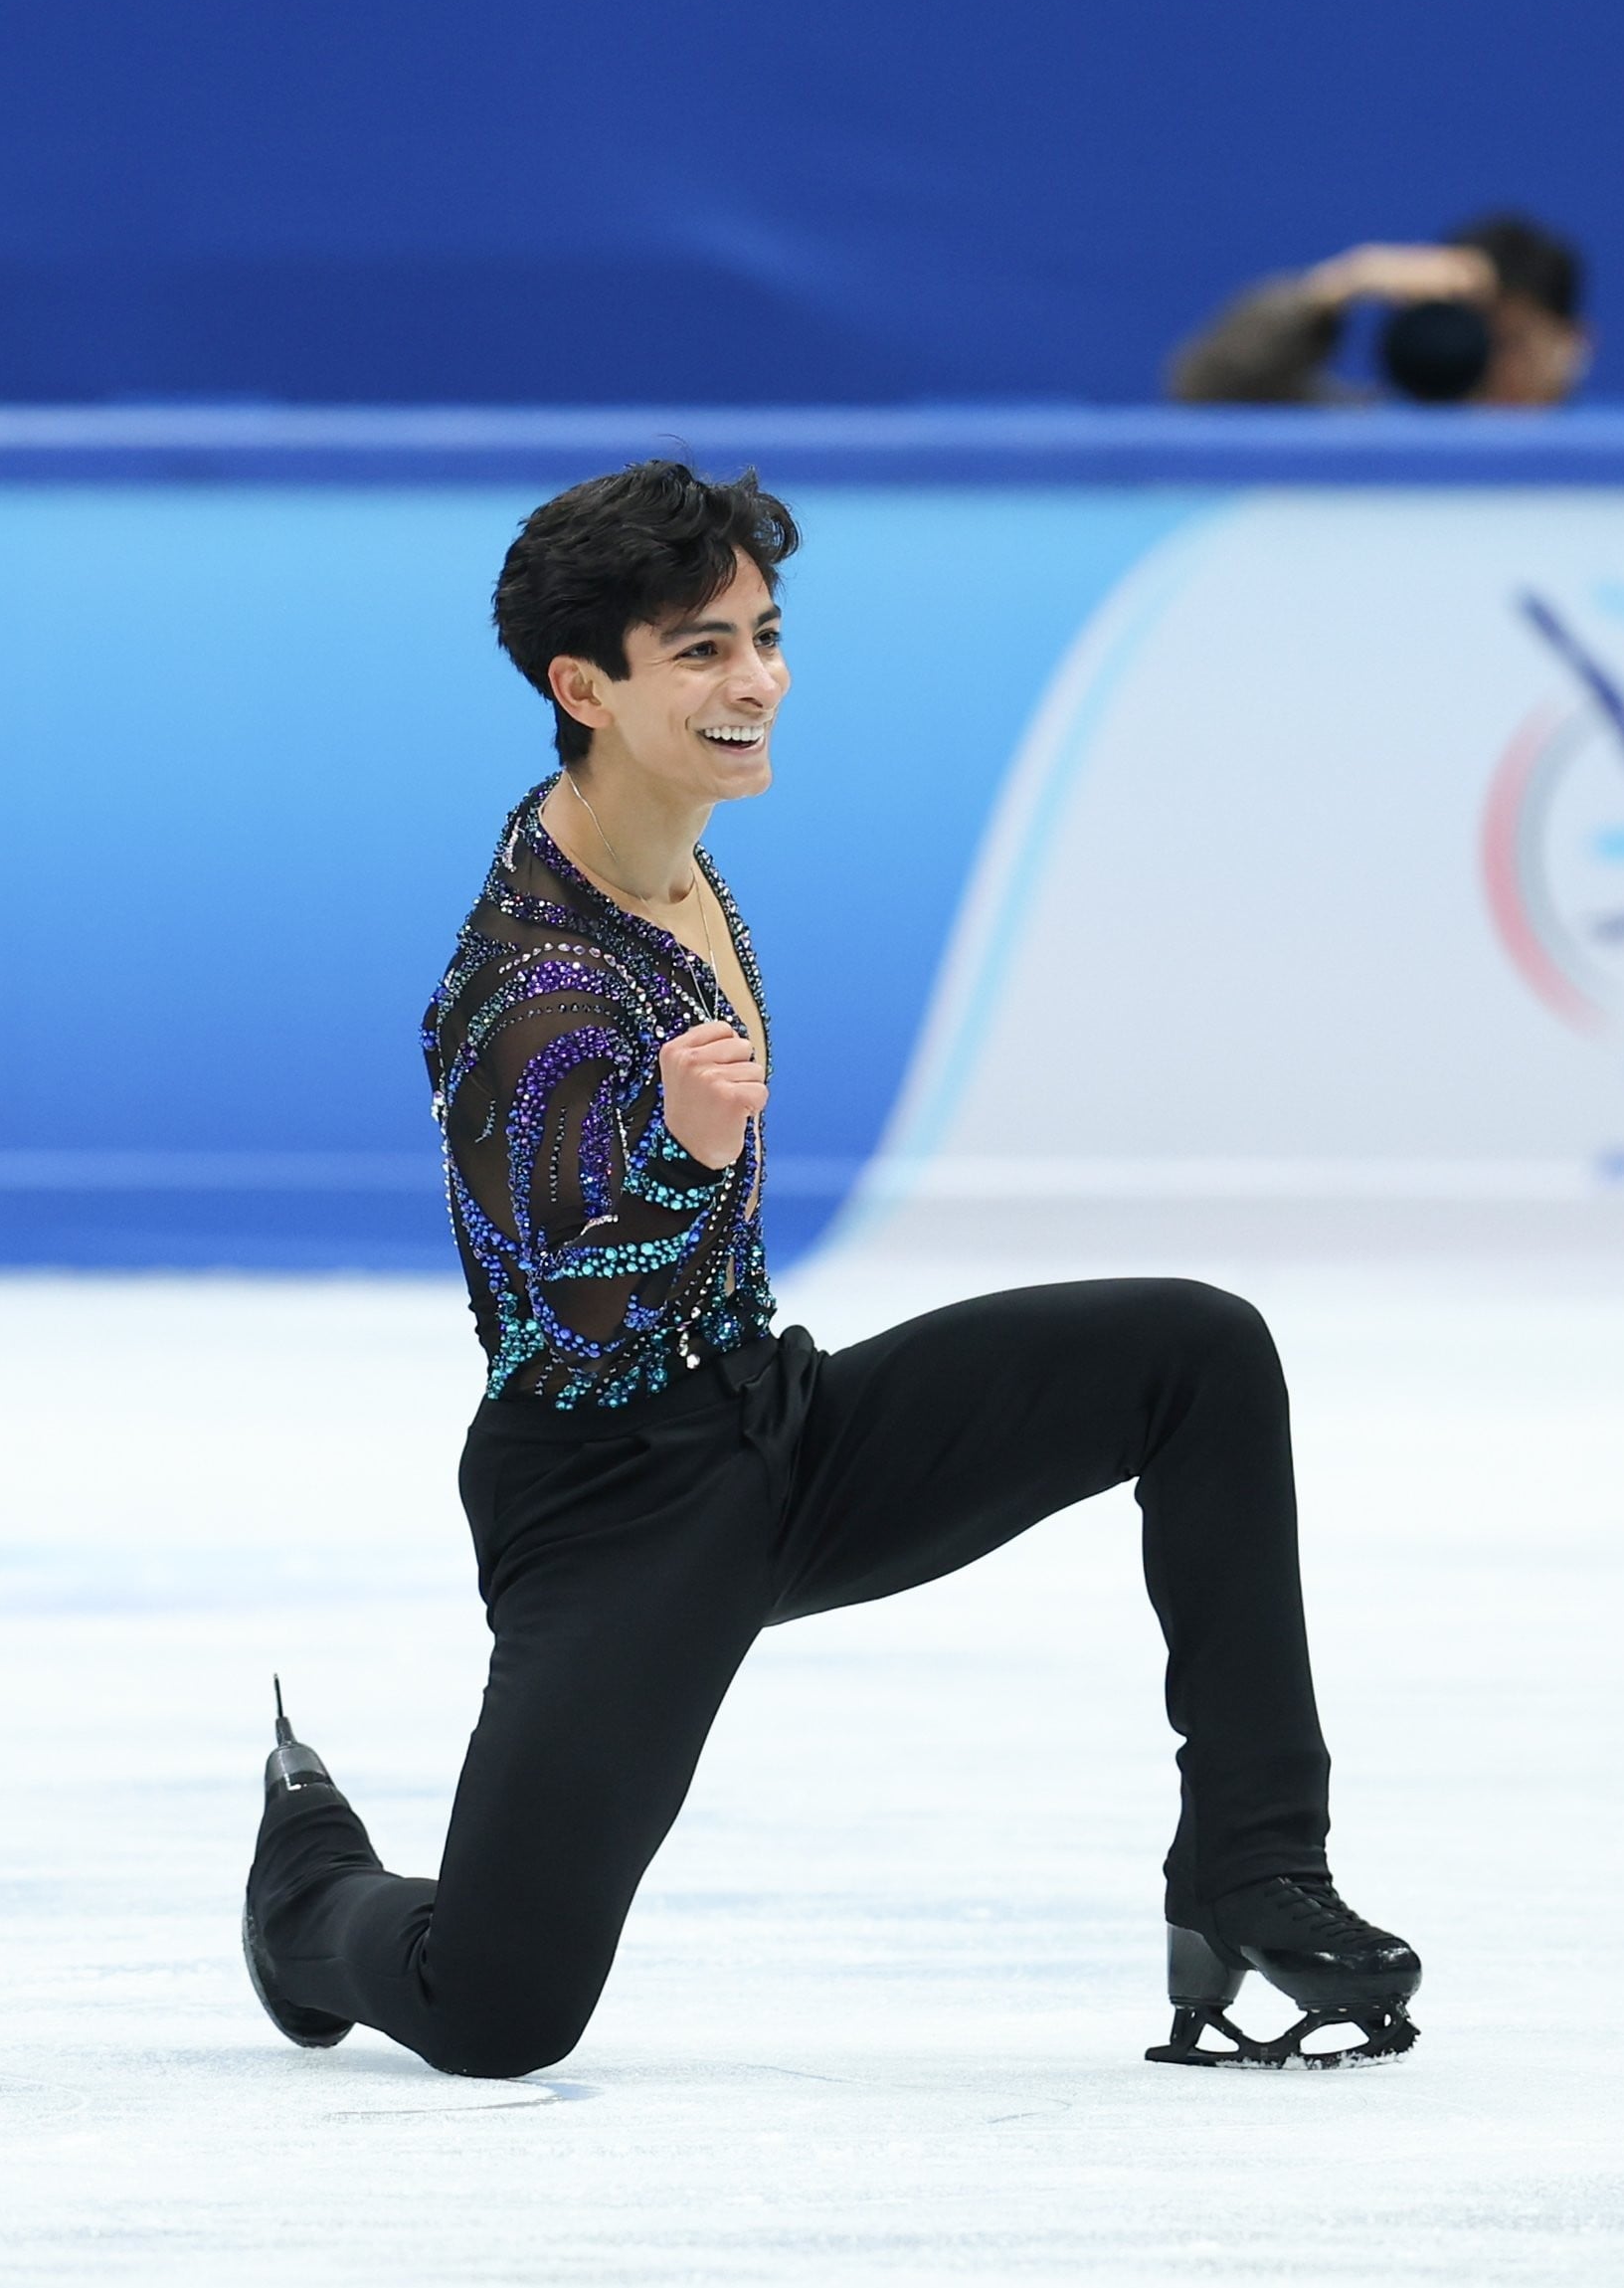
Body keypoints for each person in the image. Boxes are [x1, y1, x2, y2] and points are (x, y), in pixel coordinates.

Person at [239, 460, 1421, 2077]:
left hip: (775, 1421)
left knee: (1194, 1355)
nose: (756, 682)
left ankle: (1254, 1872)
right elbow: (561, 1309)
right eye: (701, 651)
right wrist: (680, 1153)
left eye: (765, 635)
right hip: (612, 1498)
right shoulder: (526, 983)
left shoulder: (669, 855)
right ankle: (308, 1887)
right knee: (499, 2009)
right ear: (585, 688)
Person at [1166, 212, 1589, 407]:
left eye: (1512, 342)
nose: (1487, 364)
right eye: (1473, 334)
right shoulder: (1371, 446)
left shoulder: (1609, 485)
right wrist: (1338, 285)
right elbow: (1206, 390)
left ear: (1571, 347)